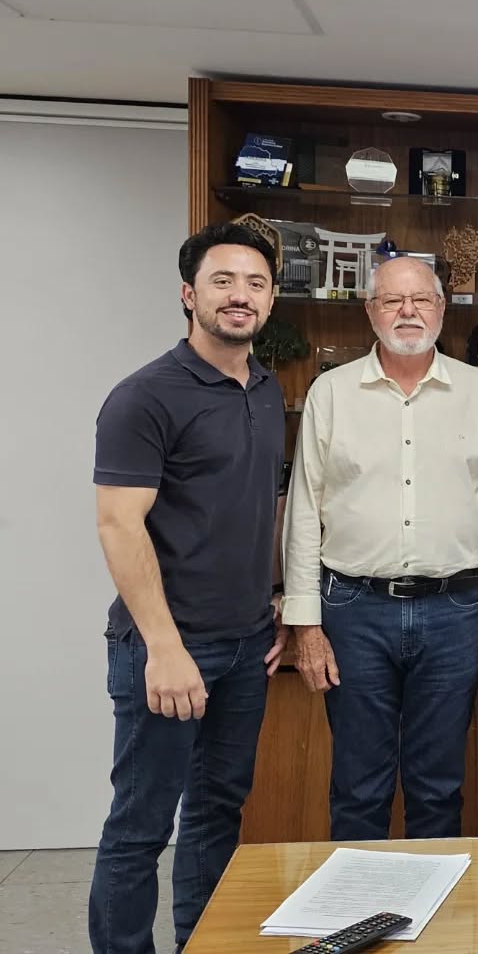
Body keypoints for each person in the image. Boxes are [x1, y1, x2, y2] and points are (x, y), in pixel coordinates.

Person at [89, 222, 288, 953]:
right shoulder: (145, 397)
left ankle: (201, 946)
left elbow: (259, 507)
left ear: (271, 300)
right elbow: (118, 524)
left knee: (215, 815)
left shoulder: (266, 389)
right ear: (188, 294)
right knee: (141, 826)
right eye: (222, 281)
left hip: (246, 644)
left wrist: (273, 602)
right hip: (167, 648)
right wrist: (164, 649)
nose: (240, 296)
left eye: (255, 283)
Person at [283, 256, 478, 841]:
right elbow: (304, 511)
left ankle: (433, 902)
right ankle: (358, 901)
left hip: (454, 613)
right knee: (357, 787)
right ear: (371, 311)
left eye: (421, 300)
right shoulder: (331, 392)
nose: (407, 312)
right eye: (392, 300)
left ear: (442, 308)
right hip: (353, 611)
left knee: (438, 787)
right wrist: (305, 624)